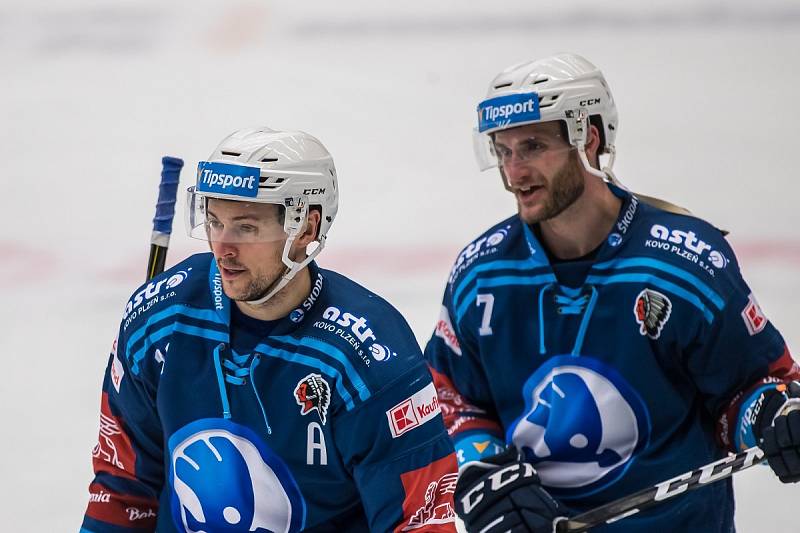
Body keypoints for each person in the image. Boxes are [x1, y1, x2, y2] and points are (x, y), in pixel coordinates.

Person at [423, 53, 800, 532]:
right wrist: (481, 471)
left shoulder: (682, 264)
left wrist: (776, 415)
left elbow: (751, 387)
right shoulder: (482, 275)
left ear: (589, 139)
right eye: (503, 151)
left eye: (533, 147)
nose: (513, 173)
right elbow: (449, 399)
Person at [81, 127, 458, 532]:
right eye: (214, 221)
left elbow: (418, 522)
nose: (222, 247)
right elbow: (122, 489)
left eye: (245, 227)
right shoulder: (161, 317)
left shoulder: (368, 355)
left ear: (306, 229)